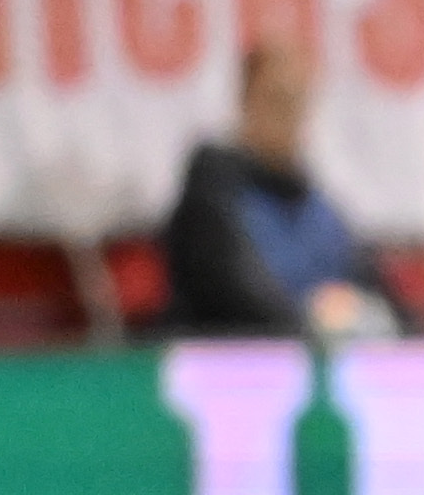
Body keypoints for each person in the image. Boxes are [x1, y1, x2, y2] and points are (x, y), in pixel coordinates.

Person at [163, 38, 407, 339]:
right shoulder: (212, 196)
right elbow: (241, 295)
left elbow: (376, 290)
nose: (288, 117)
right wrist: (312, 326)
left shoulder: (319, 208)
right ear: (246, 99)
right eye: (276, 100)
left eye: (299, 102)